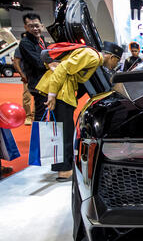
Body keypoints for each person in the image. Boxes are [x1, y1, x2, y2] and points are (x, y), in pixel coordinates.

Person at [36, 41, 123, 182]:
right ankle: (64, 171)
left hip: (63, 92)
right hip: (60, 93)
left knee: (63, 130)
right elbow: (63, 68)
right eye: (116, 61)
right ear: (111, 57)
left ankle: (63, 167)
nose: (115, 65)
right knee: (65, 132)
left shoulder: (93, 60)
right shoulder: (92, 57)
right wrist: (52, 95)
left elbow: (73, 73)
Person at [18, 13, 48, 121]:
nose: (35, 29)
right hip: (38, 84)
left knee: (46, 111)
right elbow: (39, 63)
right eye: (31, 26)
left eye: (37, 25)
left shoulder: (41, 40)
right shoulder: (25, 43)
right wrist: (53, 64)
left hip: (46, 82)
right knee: (40, 115)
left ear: (42, 26)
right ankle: (39, 137)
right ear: (26, 27)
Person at [13, 33, 33, 125]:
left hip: (38, 76)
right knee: (27, 97)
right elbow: (16, 62)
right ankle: (28, 116)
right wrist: (22, 74)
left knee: (40, 98)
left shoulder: (35, 46)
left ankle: (36, 115)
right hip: (27, 76)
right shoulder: (19, 49)